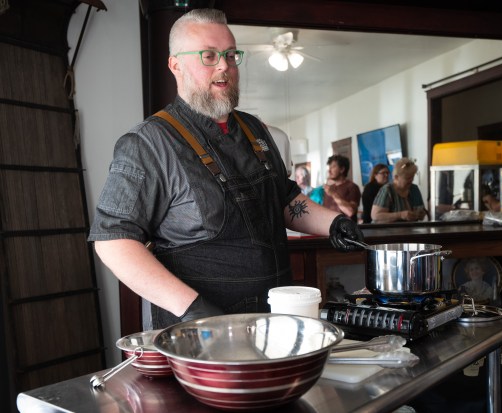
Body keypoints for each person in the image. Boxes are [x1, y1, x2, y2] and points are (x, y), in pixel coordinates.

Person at [87, 8, 364, 329]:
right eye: (209, 55)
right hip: (199, 331)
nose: (224, 66)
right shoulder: (147, 143)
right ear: (175, 64)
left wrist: (334, 223)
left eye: (231, 55)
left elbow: (285, 201)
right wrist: (191, 307)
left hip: (275, 321)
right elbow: (112, 241)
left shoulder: (255, 131)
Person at [371, 157, 427, 223]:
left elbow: (422, 212)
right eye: (407, 178)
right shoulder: (387, 190)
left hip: (410, 231)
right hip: (388, 232)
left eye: (412, 177)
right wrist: (400, 215)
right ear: (396, 177)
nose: (411, 180)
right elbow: (376, 216)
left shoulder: (414, 189)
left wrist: (421, 214)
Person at [322, 154, 361, 220]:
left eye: (333, 167)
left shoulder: (352, 187)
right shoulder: (330, 188)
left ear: (342, 169)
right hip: (328, 228)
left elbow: (350, 212)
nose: (329, 171)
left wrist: (333, 194)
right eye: (329, 167)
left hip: (345, 228)